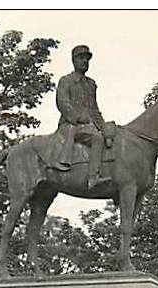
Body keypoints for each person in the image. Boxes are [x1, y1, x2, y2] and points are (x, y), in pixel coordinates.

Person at [56, 45, 113, 189]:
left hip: (90, 126)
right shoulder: (66, 81)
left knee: (108, 137)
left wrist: (104, 127)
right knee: (97, 139)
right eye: (81, 58)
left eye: (87, 59)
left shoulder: (91, 84)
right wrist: (77, 117)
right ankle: (93, 177)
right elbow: (62, 103)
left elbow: (94, 109)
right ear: (73, 61)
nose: (85, 62)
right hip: (71, 125)